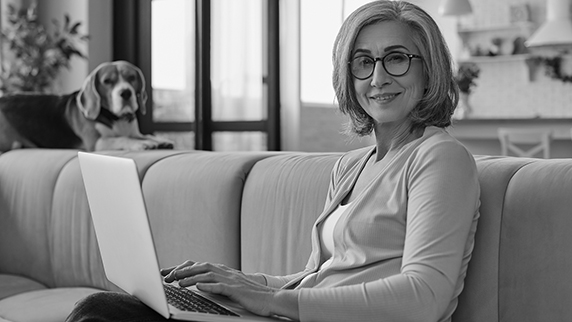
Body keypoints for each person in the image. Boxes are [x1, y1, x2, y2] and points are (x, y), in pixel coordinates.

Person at [66, 1, 480, 322]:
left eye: (396, 58)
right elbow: (317, 278)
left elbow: (425, 297)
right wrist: (239, 282)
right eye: (363, 62)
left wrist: (272, 301)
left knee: (100, 312)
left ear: (430, 71)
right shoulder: (351, 165)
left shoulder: (440, 158)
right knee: (109, 308)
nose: (377, 78)